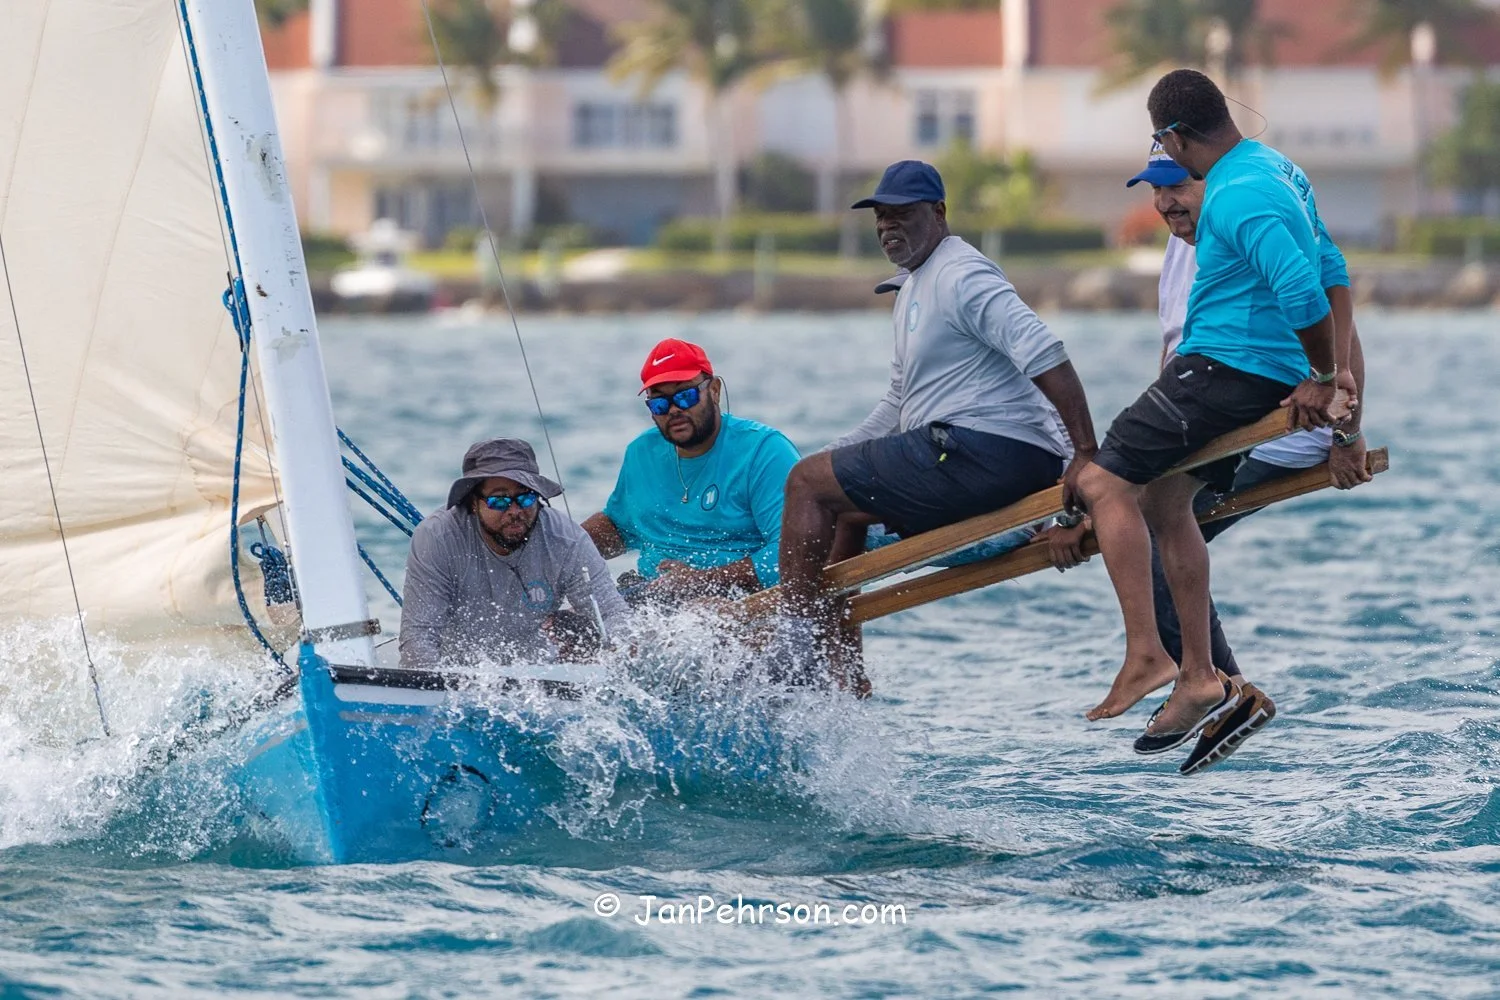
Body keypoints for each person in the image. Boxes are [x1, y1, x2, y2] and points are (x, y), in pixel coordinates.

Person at [1047, 140, 1370, 772]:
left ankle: (1217, 688)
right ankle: (1216, 688)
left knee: (1147, 527)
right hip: (1215, 409)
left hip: (1279, 429)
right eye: (1155, 190)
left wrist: (1345, 435)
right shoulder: (1183, 246)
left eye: (1178, 188)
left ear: (1209, 178)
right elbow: (1179, 358)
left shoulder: (1238, 217)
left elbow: (1334, 306)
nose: (1166, 203)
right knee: (1148, 513)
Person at [775, 160, 1099, 673]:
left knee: (807, 484)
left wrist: (1084, 456)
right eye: (880, 217)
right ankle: (840, 670)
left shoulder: (961, 273)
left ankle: (790, 644)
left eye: (902, 214)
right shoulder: (916, 283)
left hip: (984, 453)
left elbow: (1044, 351)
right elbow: (896, 404)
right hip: (969, 452)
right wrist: (829, 459)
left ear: (939, 212)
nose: (888, 227)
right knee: (833, 502)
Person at [583, 338, 801, 603]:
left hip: (741, 605)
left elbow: (794, 552)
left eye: (685, 396)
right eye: (660, 404)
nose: (674, 410)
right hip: (649, 601)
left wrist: (702, 580)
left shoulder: (765, 451)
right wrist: (561, 544)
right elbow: (619, 529)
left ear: (715, 391)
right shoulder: (640, 452)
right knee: (561, 630)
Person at [399, 438, 628, 669]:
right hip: (458, 674)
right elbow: (418, 638)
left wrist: (621, 655)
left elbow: (612, 613)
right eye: (500, 501)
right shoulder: (437, 537)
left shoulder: (567, 539)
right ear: (472, 503)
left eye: (526, 497)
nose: (515, 511)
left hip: (540, 675)